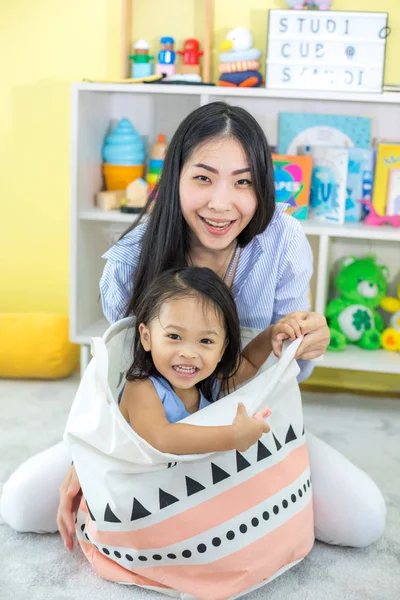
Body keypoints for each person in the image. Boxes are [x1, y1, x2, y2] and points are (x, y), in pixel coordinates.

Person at [1, 102, 385, 553]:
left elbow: (271, 375)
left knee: (365, 521)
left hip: (247, 417)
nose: (221, 204)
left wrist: (300, 339)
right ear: (174, 180)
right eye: (203, 178)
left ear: (262, 185)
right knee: (22, 506)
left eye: (243, 182)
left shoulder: (283, 240)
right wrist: (91, 458)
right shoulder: (130, 263)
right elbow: (117, 379)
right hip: (146, 432)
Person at [118, 266, 300, 454]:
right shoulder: (140, 388)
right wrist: (234, 436)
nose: (188, 353)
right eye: (174, 336)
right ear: (146, 338)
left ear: (222, 348)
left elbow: (249, 362)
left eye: (205, 341)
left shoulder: (209, 383)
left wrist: (271, 334)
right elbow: (161, 439)